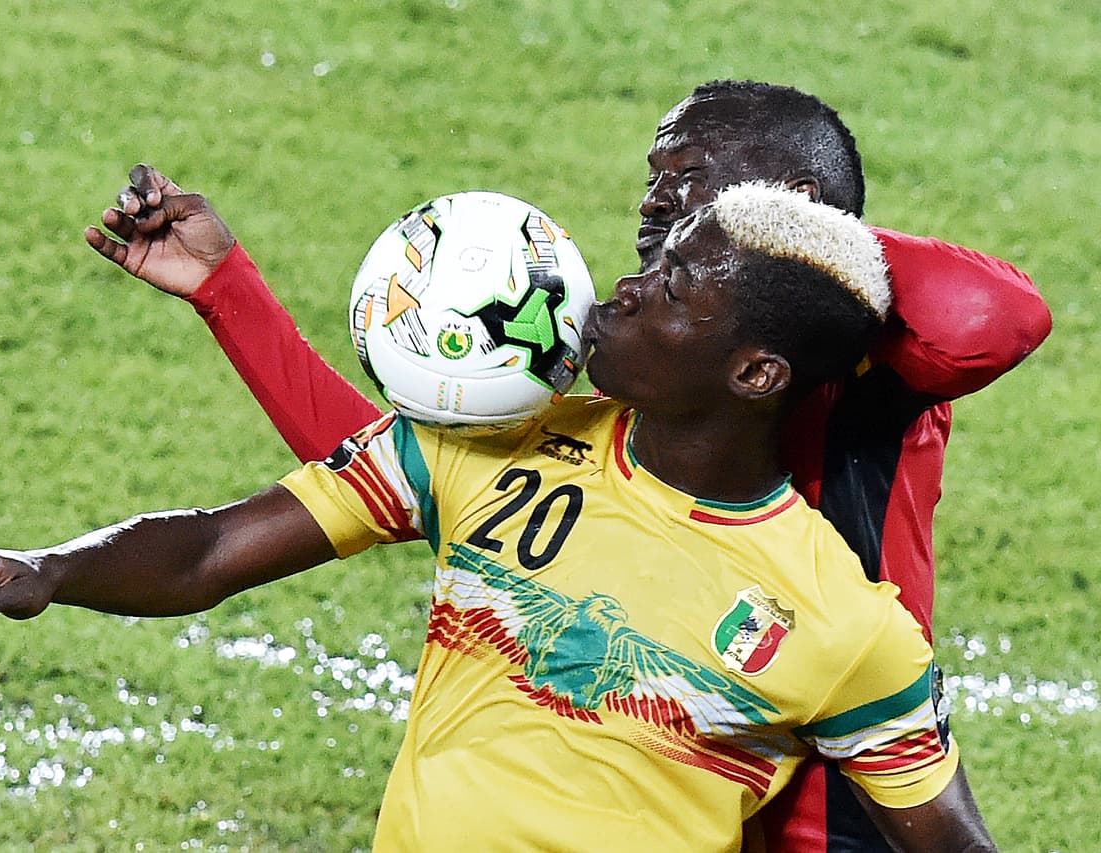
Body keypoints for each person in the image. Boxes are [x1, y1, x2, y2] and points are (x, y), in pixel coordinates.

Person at [84, 81, 1051, 851]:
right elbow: (433, 473)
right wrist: (228, 292)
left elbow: (999, 317)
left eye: (690, 183)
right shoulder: (663, 360)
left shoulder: (874, 362)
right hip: (692, 760)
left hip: (831, 796)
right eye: (655, 181)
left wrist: (795, 253)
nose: (655, 204)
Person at [0, 183, 996, 851]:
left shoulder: (846, 627)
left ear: (754, 374)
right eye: (647, 268)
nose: (617, 290)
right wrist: (51, 566)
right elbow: (213, 549)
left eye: (669, 294)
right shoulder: (484, 443)